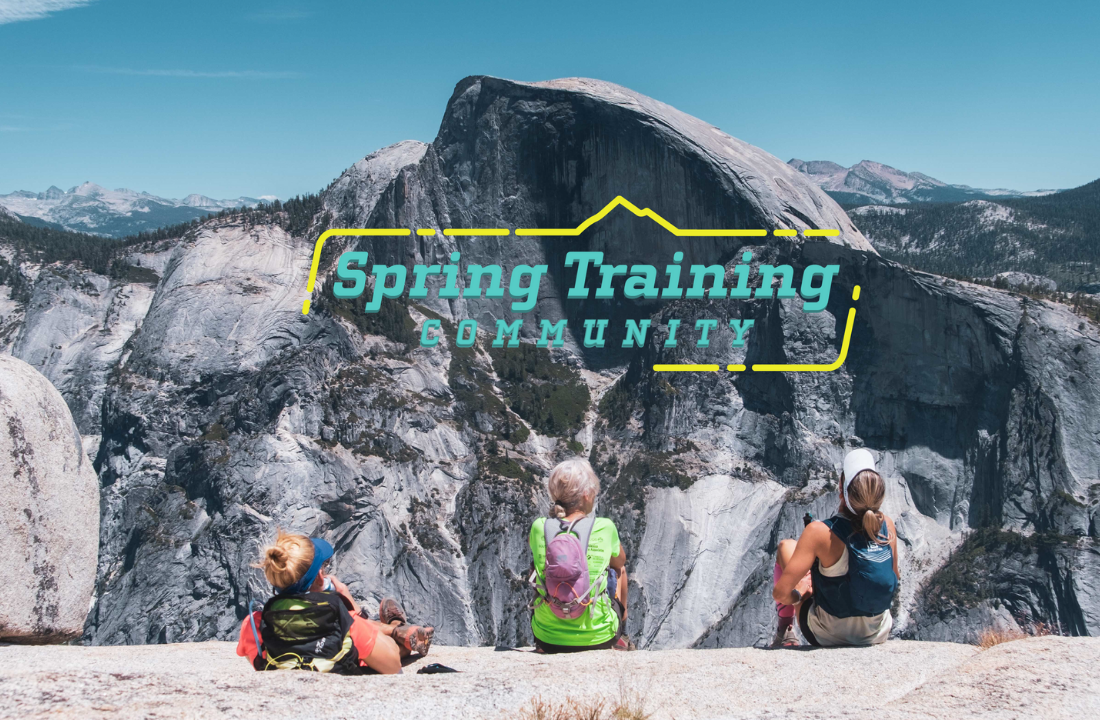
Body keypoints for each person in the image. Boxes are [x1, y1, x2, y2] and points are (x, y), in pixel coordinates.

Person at [236, 530, 434, 674]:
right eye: (324, 566)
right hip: (355, 667)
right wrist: (347, 601)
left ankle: (395, 627)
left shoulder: (254, 623)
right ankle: (397, 629)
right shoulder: (336, 616)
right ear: (320, 578)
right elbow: (392, 665)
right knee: (385, 643)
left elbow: (257, 663)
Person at [771, 448, 899, 647]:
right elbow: (894, 577)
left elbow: (780, 594)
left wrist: (801, 594)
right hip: (876, 632)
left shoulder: (819, 532)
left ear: (841, 488)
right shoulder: (887, 526)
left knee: (785, 546)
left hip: (828, 634)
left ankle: (785, 630)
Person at [528, 458, 632, 652]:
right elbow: (620, 562)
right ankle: (622, 633)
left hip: (546, 637)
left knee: (538, 567)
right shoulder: (605, 526)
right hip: (600, 636)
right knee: (619, 570)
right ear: (586, 494)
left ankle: (550, 623)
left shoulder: (539, 527)